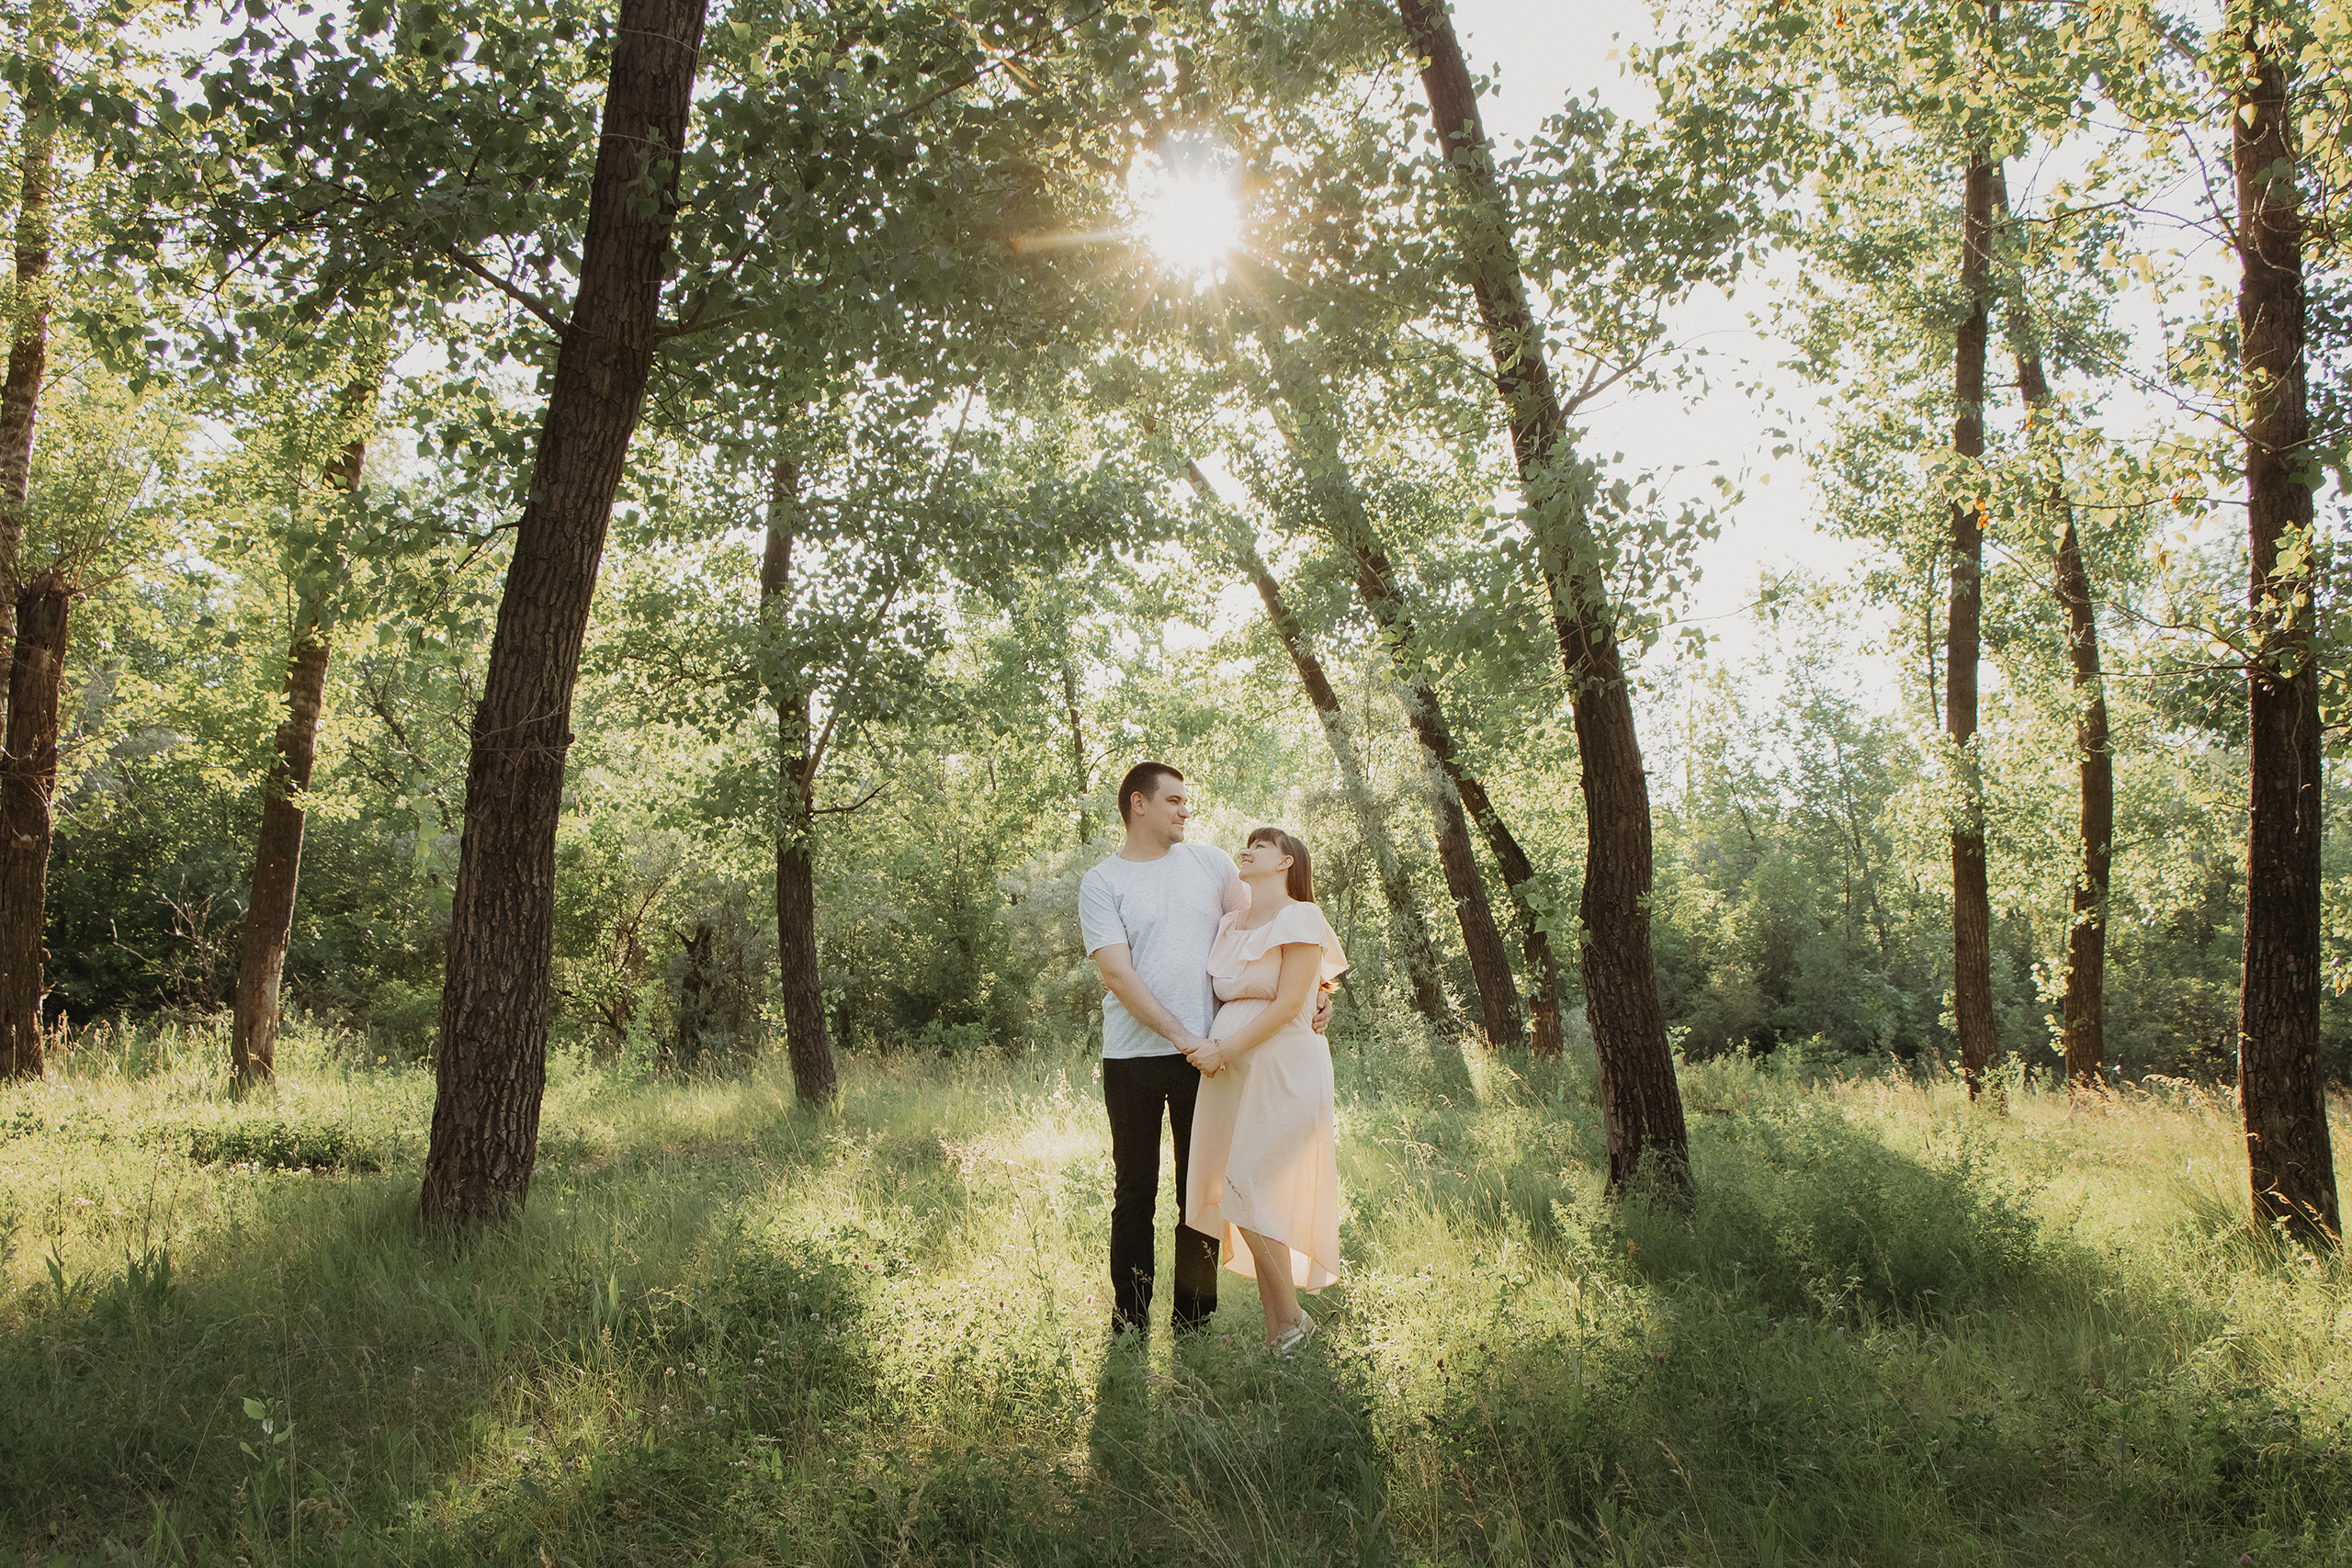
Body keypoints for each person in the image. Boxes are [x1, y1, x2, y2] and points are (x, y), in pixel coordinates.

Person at [1078, 761, 1326, 1337]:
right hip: (1133, 1057)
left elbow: (1265, 929)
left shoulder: (1211, 864)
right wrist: (1180, 1034)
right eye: (1174, 800)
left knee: (1203, 1191)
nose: (1186, 810)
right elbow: (1117, 974)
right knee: (1134, 1191)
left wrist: (1317, 993)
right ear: (1139, 804)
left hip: (1211, 1058)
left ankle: (1193, 1322)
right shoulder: (1102, 882)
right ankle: (1130, 1323)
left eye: (1185, 801)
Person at [1182, 826, 1346, 1351]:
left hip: (1282, 1067)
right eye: (1247, 844)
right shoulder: (1230, 925)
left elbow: (1289, 1002)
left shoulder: (1302, 916)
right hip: (1232, 1076)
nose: (1247, 850)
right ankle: (1283, 1330)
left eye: (1261, 845)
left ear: (1286, 862)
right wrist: (1222, 1053)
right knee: (1239, 1193)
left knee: (1249, 1190)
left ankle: (1292, 1321)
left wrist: (1224, 1049)